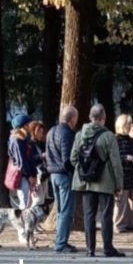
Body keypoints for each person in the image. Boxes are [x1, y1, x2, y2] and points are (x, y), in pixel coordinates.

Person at [70, 104, 125, 257]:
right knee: (106, 215)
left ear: (90, 117)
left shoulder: (80, 135)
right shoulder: (109, 136)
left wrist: (85, 171)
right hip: (105, 182)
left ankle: (90, 249)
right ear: (104, 118)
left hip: (85, 183)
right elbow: (116, 162)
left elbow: (73, 158)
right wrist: (119, 184)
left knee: (89, 215)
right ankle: (108, 248)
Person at [46, 106, 79, 253]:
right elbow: (67, 159)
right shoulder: (67, 134)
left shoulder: (51, 131)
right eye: (76, 118)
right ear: (72, 118)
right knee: (66, 210)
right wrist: (76, 172)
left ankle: (60, 240)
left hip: (53, 174)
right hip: (64, 176)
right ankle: (61, 243)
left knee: (60, 210)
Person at [113, 114, 133, 233]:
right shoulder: (115, 139)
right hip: (122, 174)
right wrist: (126, 158)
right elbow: (114, 156)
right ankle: (119, 224)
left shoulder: (132, 141)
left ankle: (131, 223)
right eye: (128, 124)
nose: (129, 126)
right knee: (121, 202)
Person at [8, 114, 37, 209]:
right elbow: (21, 161)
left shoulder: (25, 140)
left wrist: (34, 174)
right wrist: (29, 176)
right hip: (23, 176)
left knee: (29, 201)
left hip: (28, 175)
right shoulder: (17, 141)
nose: (30, 126)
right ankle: (23, 223)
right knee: (25, 202)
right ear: (23, 126)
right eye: (28, 124)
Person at [28, 121, 49, 206]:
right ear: (33, 132)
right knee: (38, 199)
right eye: (38, 132)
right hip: (35, 174)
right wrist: (41, 156)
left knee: (44, 197)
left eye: (42, 132)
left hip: (44, 174)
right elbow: (29, 159)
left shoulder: (42, 143)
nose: (41, 134)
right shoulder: (30, 144)